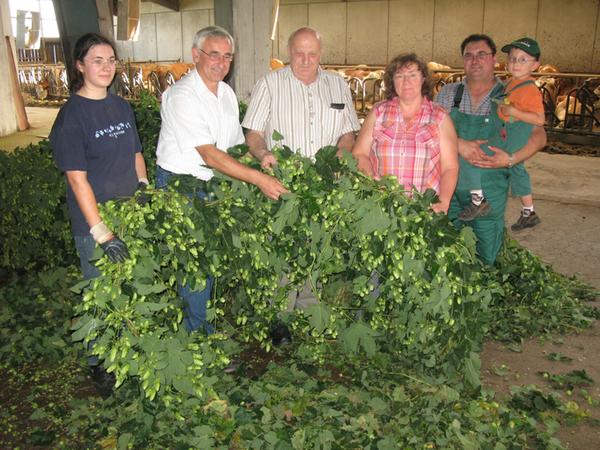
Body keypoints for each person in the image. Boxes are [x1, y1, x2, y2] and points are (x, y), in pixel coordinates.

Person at [156, 26, 287, 339]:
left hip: (212, 184)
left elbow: (233, 146)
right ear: (196, 55)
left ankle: (198, 324)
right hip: (182, 185)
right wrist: (257, 179)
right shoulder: (182, 95)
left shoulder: (225, 93)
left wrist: (260, 158)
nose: (221, 62)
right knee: (195, 265)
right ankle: (200, 341)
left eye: (227, 56)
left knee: (210, 257)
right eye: (213, 54)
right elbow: (210, 155)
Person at [50, 32, 148, 397]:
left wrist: (142, 185)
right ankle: (99, 363)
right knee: (100, 291)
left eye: (110, 60)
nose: (106, 67)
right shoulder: (71, 117)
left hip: (129, 215)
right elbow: (77, 180)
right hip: (95, 222)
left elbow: (136, 152)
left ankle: (127, 349)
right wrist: (101, 232)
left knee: (130, 286)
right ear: (79, 66)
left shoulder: (121, 107)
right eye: (97, 61)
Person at [436, 34, 547, 265]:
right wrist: (459, 144)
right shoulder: (448, 93)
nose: (475, 60)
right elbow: (427, 130)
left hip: (491, 185)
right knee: (446, 249)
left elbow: (539, 134)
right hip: (449, 187)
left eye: (482, 54)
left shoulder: (510, 94)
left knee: (486, 252)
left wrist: (511, 159)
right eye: (468, 55)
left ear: (495, 59)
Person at [352, 53, 459, 214]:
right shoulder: (378, 112)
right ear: (391, 81)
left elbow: (450, 167)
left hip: (424, 209)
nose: (406, 81)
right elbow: (359, 153)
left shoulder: (439, 117)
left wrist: (443, 202)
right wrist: (371, 182)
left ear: (423, 79)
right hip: (381, 207)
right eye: (399, 76)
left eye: (412, 75)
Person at [457, 37, 544, 232]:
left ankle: (479, 201)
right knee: (518, 171)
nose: (515, 63)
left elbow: (539, 121)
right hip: (506, 134)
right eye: (513, 58)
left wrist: (514, 112)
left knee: (472, 157)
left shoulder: (529, 89)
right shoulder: (510, 84)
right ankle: (528, 211)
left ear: (536, 64)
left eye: (523, 60)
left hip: (511, 136)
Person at [242, 26, 360, 166]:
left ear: (320, 53)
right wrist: (263, 153)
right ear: (289, 51)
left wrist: (338, 158)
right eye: (299, 53)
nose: (306, 61)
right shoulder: (268, 84)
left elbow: (348, 134)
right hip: (283, 177)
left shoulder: (339, 85)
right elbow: (254, 134)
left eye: (312, 54)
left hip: (330, 179)